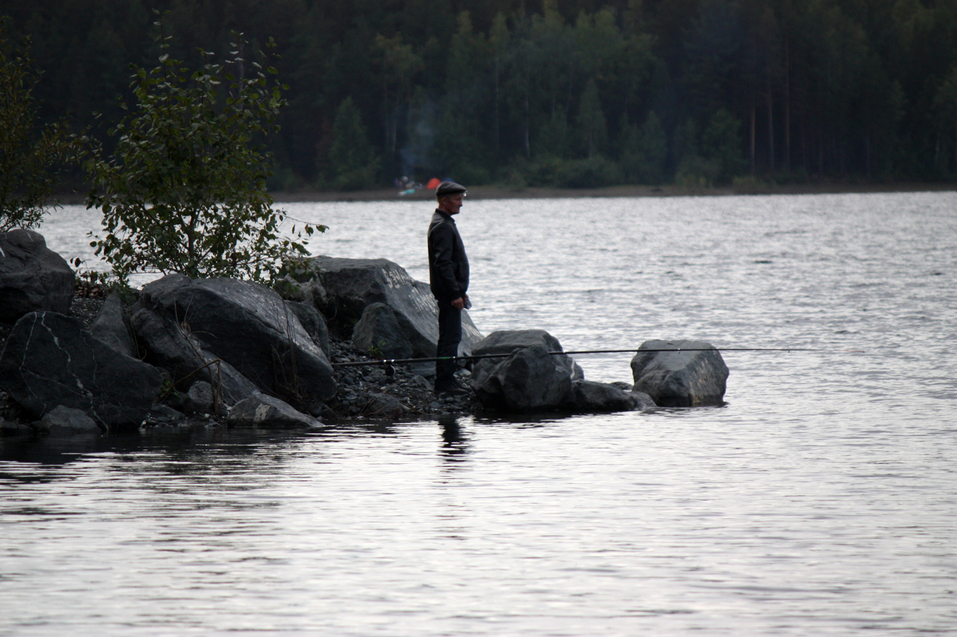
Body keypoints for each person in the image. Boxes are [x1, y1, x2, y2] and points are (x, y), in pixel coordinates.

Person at [428, 181, 470, 395]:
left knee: (450, 336)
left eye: (461, 198)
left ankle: (446, 379)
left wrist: (461, 290)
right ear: (444, 200)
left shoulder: (444, 222)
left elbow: (450, 263)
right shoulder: (442, 225)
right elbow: (442, 264)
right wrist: (454, 293)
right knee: (450, 337)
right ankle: (444, 382)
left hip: (452, 292)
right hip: (448, 294)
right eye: (457, 199)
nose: (461, 204)